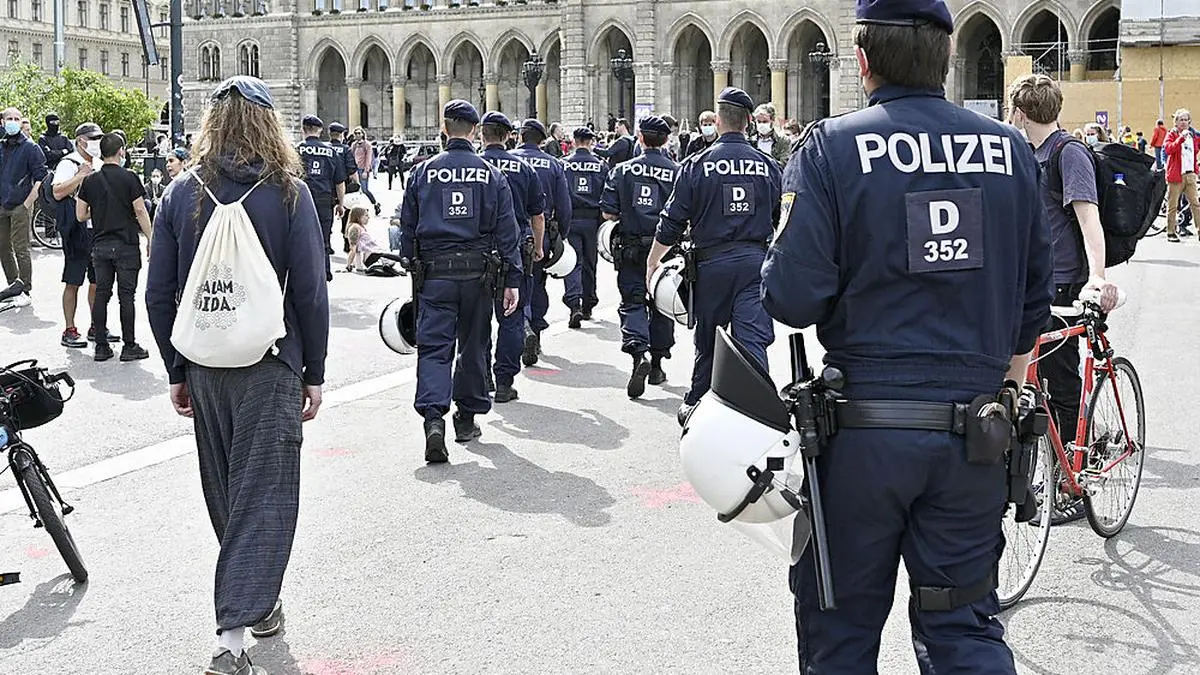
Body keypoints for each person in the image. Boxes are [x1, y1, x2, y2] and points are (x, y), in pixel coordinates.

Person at [760, 4, 1053, 669]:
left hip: (859, 444)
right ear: (946, 57)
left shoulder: (833, 146)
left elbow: (790, 299)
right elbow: (1036, 300)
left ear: (861, 61)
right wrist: (1003, 389)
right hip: (974, 441)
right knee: (964, 631)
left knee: (841, 636)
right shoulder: (1009, 149)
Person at [145, 75, 329, 675]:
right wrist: (315, 371)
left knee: (225, 487)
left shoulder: (179, 194)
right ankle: (231, 637)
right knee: (265, 493)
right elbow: (310, 291)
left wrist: (177, 368)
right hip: (270, 363)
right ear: (269, 125)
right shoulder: (290, 194)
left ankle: (262, 601)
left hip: (204, 363)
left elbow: (158, 293)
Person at [1010, 73, 1122, 526]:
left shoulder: (1067, 153)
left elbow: (1087, 219)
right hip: (1030, 280)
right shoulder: (1024, 153)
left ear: (1020, 111)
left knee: (1059, 378)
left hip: (1061, 285)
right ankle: (1056, 466)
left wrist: (1096, 277)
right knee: (1032, 376)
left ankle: (1077, 472)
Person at [646, 87, 781, 427]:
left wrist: (654, 261)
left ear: (718, 121)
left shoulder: (696, 164)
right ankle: (758, 414)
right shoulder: (769, 166)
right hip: (755, 264)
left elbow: (673, 219)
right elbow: (784, 219)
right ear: (749, 122)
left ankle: (697, 404)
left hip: (711, 266)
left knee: (709, 340)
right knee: (753, 342)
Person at [396, 100, 522, 463]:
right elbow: (507, 231)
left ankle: (434, 418)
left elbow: (408, 224)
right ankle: (465, 419)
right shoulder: (491, 174)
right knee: (473, 346)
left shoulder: (423, 172)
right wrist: (512, 278)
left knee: (434, 348)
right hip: (478, 274)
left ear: (444, 127)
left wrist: (410, 262)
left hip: (434, 275)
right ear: (475, 130)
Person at [600, 115, 678, 398]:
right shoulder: (677, 170)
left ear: (640, 139)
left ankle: (638, 354)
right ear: (667, 140)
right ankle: (657, 364)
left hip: (631, 248)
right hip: (665, 250)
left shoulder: (621, 171)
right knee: (661, 303)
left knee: (632, 302)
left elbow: (608, 212)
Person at [479, 112, 546, 403]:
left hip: (478, 250)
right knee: (512, 315)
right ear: (508, 136)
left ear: (481, 135)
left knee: (478, 318)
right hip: (516, 248)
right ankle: (505, 382)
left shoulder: (474, 165)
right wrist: (540, 247)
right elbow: (537, 214)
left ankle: (482, 377)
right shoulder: (524, 167)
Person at [75, 132, 153, 362]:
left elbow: (80, 215)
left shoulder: (90, 180)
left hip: (100, 244)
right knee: (126, 296)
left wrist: (98, 212)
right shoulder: (130, 178)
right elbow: (140, 210)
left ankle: (101, 346)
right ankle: (129, 346)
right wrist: (151, 237)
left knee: (102, 293)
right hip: (126, 245)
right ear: (121, 151)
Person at [512, 118, 572, 367]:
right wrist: (560, 238)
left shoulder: (508, 160)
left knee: (511, 283)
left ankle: (522, 325)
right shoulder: (554, 164)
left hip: (509, 232)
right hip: (541, 231)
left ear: (520, 137)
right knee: (537, 282)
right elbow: (564, 205)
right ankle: (534, 328)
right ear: (542, 140)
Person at [51, 122, 112, 347]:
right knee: (73, 280)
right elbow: (57, 192)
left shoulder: (99, 163)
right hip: (76, 231)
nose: (96, 143)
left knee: (97, 281)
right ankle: (69, 328)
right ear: (80, 141)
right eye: (92, 138)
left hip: (96, 229)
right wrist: (81, 175)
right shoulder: (69, 163)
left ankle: (97, 326)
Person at [0, 106, 48, 306]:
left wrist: (28, 203)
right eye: (8, 118)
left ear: (21, 122)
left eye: (16, 118)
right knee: (3, 247)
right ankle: (14, 286)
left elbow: (41, 177)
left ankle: (25, 288)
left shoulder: (30, 147)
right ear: (2, 122)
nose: (12, 121)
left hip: (20, 204)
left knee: (21, 247)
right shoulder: (1, 146)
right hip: (2, 203)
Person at [561, 126, 608, 329]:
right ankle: (588, 302)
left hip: (571, 219)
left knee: (573, 262)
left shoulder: (563, 164)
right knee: (590, 262)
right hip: (592, 220)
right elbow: (607, 195)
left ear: (574, 141)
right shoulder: (601, 165)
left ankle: (574, 303)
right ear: (591, 142)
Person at [296, 114, 346, 279]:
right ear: (320, 131)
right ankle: (324, 271)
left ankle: (303, 272)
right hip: (325, 200)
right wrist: (341, 203)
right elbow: (339, 181)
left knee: (301, 237)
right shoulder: (331, 152)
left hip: (301, 200)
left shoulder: (296, 150)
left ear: (303, 130)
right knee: (324, 237)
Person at [1165, 108, 1200, 243]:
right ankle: (1171, 232)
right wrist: (1180, 138)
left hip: (1190, 174)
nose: (1184, 122)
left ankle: (1199, 230)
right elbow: (1168, 149)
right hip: (1176, 175)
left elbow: (1194, 152)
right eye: (1181, 120)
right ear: (1176, 122)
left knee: (1195, 204)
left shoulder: (1193, 135)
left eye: (1186, 120)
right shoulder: (1172, 134)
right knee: (1173, 205)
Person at [751, 103, 791, 167]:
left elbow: (784, 164)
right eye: (759, 122)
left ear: (773, 120)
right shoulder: (750, 140)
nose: (761, 125)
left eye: (765, 122)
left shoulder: (783, 141)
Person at [350, 127, 378, 211]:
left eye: (359, 133)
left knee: (365, 189)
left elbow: (368, 158)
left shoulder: (367, 145)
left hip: (363, 169)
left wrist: (366, 170)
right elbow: (351, 157)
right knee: (356, 190)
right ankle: (359, 208)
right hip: (355, 169)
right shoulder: (354, 145)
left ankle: (375, 203)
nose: (357, 135)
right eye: (356, 133)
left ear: (362, 134)